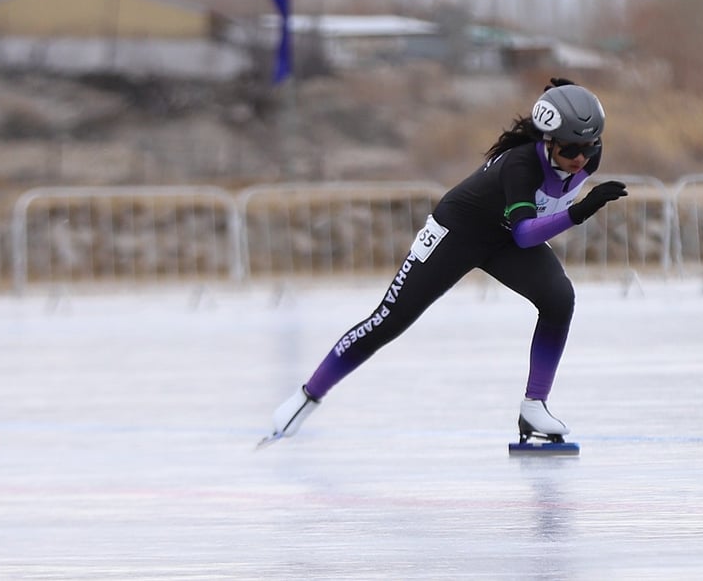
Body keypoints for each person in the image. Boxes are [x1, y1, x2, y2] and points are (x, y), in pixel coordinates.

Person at [259, 77, 628, 448]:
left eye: (588, 146)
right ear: (547, 142)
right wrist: (579, 212)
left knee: (559, 299)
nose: (580, 158)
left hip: (503, 238)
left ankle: (535, 405)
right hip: (459, 233)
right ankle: (307, 396)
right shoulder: (521, 166)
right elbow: (526, 235)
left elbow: (521, 232)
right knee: (389, 320)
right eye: (570, 150)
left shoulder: (587, 155)